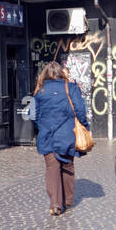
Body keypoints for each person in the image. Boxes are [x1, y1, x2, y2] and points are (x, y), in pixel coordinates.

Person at [33, 61, 88, 216]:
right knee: (68, 165)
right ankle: (68, 201)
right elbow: (80, 110)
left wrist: (42, 126)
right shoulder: (70, 88)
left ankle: (55, 204)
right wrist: (85, 127)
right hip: (67, 134)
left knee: (52, 168)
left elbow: (33, 115)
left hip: (46, 135)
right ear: (61, 73)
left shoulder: (40, 90)